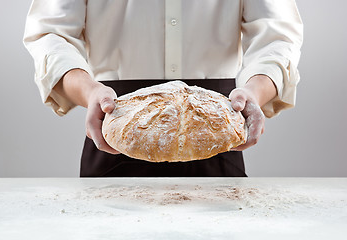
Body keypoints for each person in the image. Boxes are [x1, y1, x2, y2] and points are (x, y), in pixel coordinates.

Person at [23, 0, 303, 177]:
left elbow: (277, 36)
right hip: (117, 121)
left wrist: (255, 90)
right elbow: (51, 33)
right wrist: (89, 91)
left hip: (216, 121)